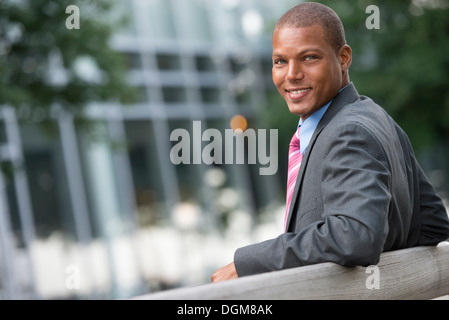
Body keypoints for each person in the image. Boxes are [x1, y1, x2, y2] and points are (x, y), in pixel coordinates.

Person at [211, 2, 449, 282]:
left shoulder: (348, 132)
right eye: (280, 61)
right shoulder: (374, 116)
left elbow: (355, 236)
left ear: (344, 58)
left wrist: (249, 262)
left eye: (309, 57)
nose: (291, 74)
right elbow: (432, 223)